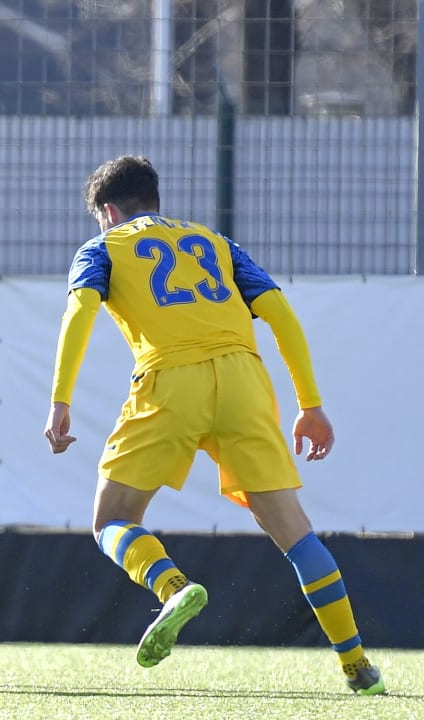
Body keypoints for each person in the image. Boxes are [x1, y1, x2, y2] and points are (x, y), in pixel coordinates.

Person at [42, 155, 386, 695]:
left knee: (112, 519)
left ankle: (172, 586)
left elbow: (80, 311)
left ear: (107, 211)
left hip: (169, 380)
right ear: (154, 200)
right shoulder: (218, 244)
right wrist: (310, 403)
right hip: (245, 381)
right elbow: (280, 313)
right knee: (296, 534)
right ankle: (356, 663)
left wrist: (61, 400)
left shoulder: (102, 247)